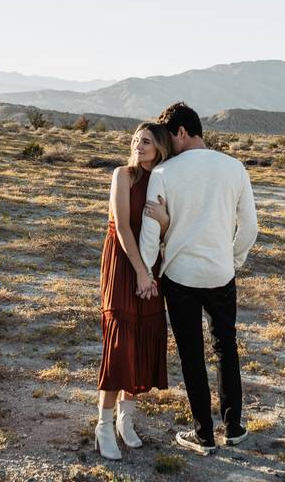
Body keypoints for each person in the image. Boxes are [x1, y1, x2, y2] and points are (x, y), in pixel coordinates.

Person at [139, 102, 258, 455]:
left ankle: (203, 434)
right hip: (221, 273)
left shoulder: (164, 174)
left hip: (180, 275)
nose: (167, 146)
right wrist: (233, 259)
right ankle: (233, 426)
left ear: (181, 132)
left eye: (168, 137)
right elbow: (249, 226)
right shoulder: (234, 168)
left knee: (192, 353)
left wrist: (145, 272)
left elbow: (149, 230)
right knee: (226, 346)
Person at [94, 122, 172, 460]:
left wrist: (166, 221)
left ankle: (127, 419)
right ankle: (103, 426)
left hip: (149, 266)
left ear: (160, 149)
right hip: (124, 265)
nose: (139, 146)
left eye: (147, 142)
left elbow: (168, 230)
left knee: (140, 339)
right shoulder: (122, 175)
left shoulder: (162, 180)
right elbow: (122, 226)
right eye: (136, 140)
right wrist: (142, 273)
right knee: (120, 342)